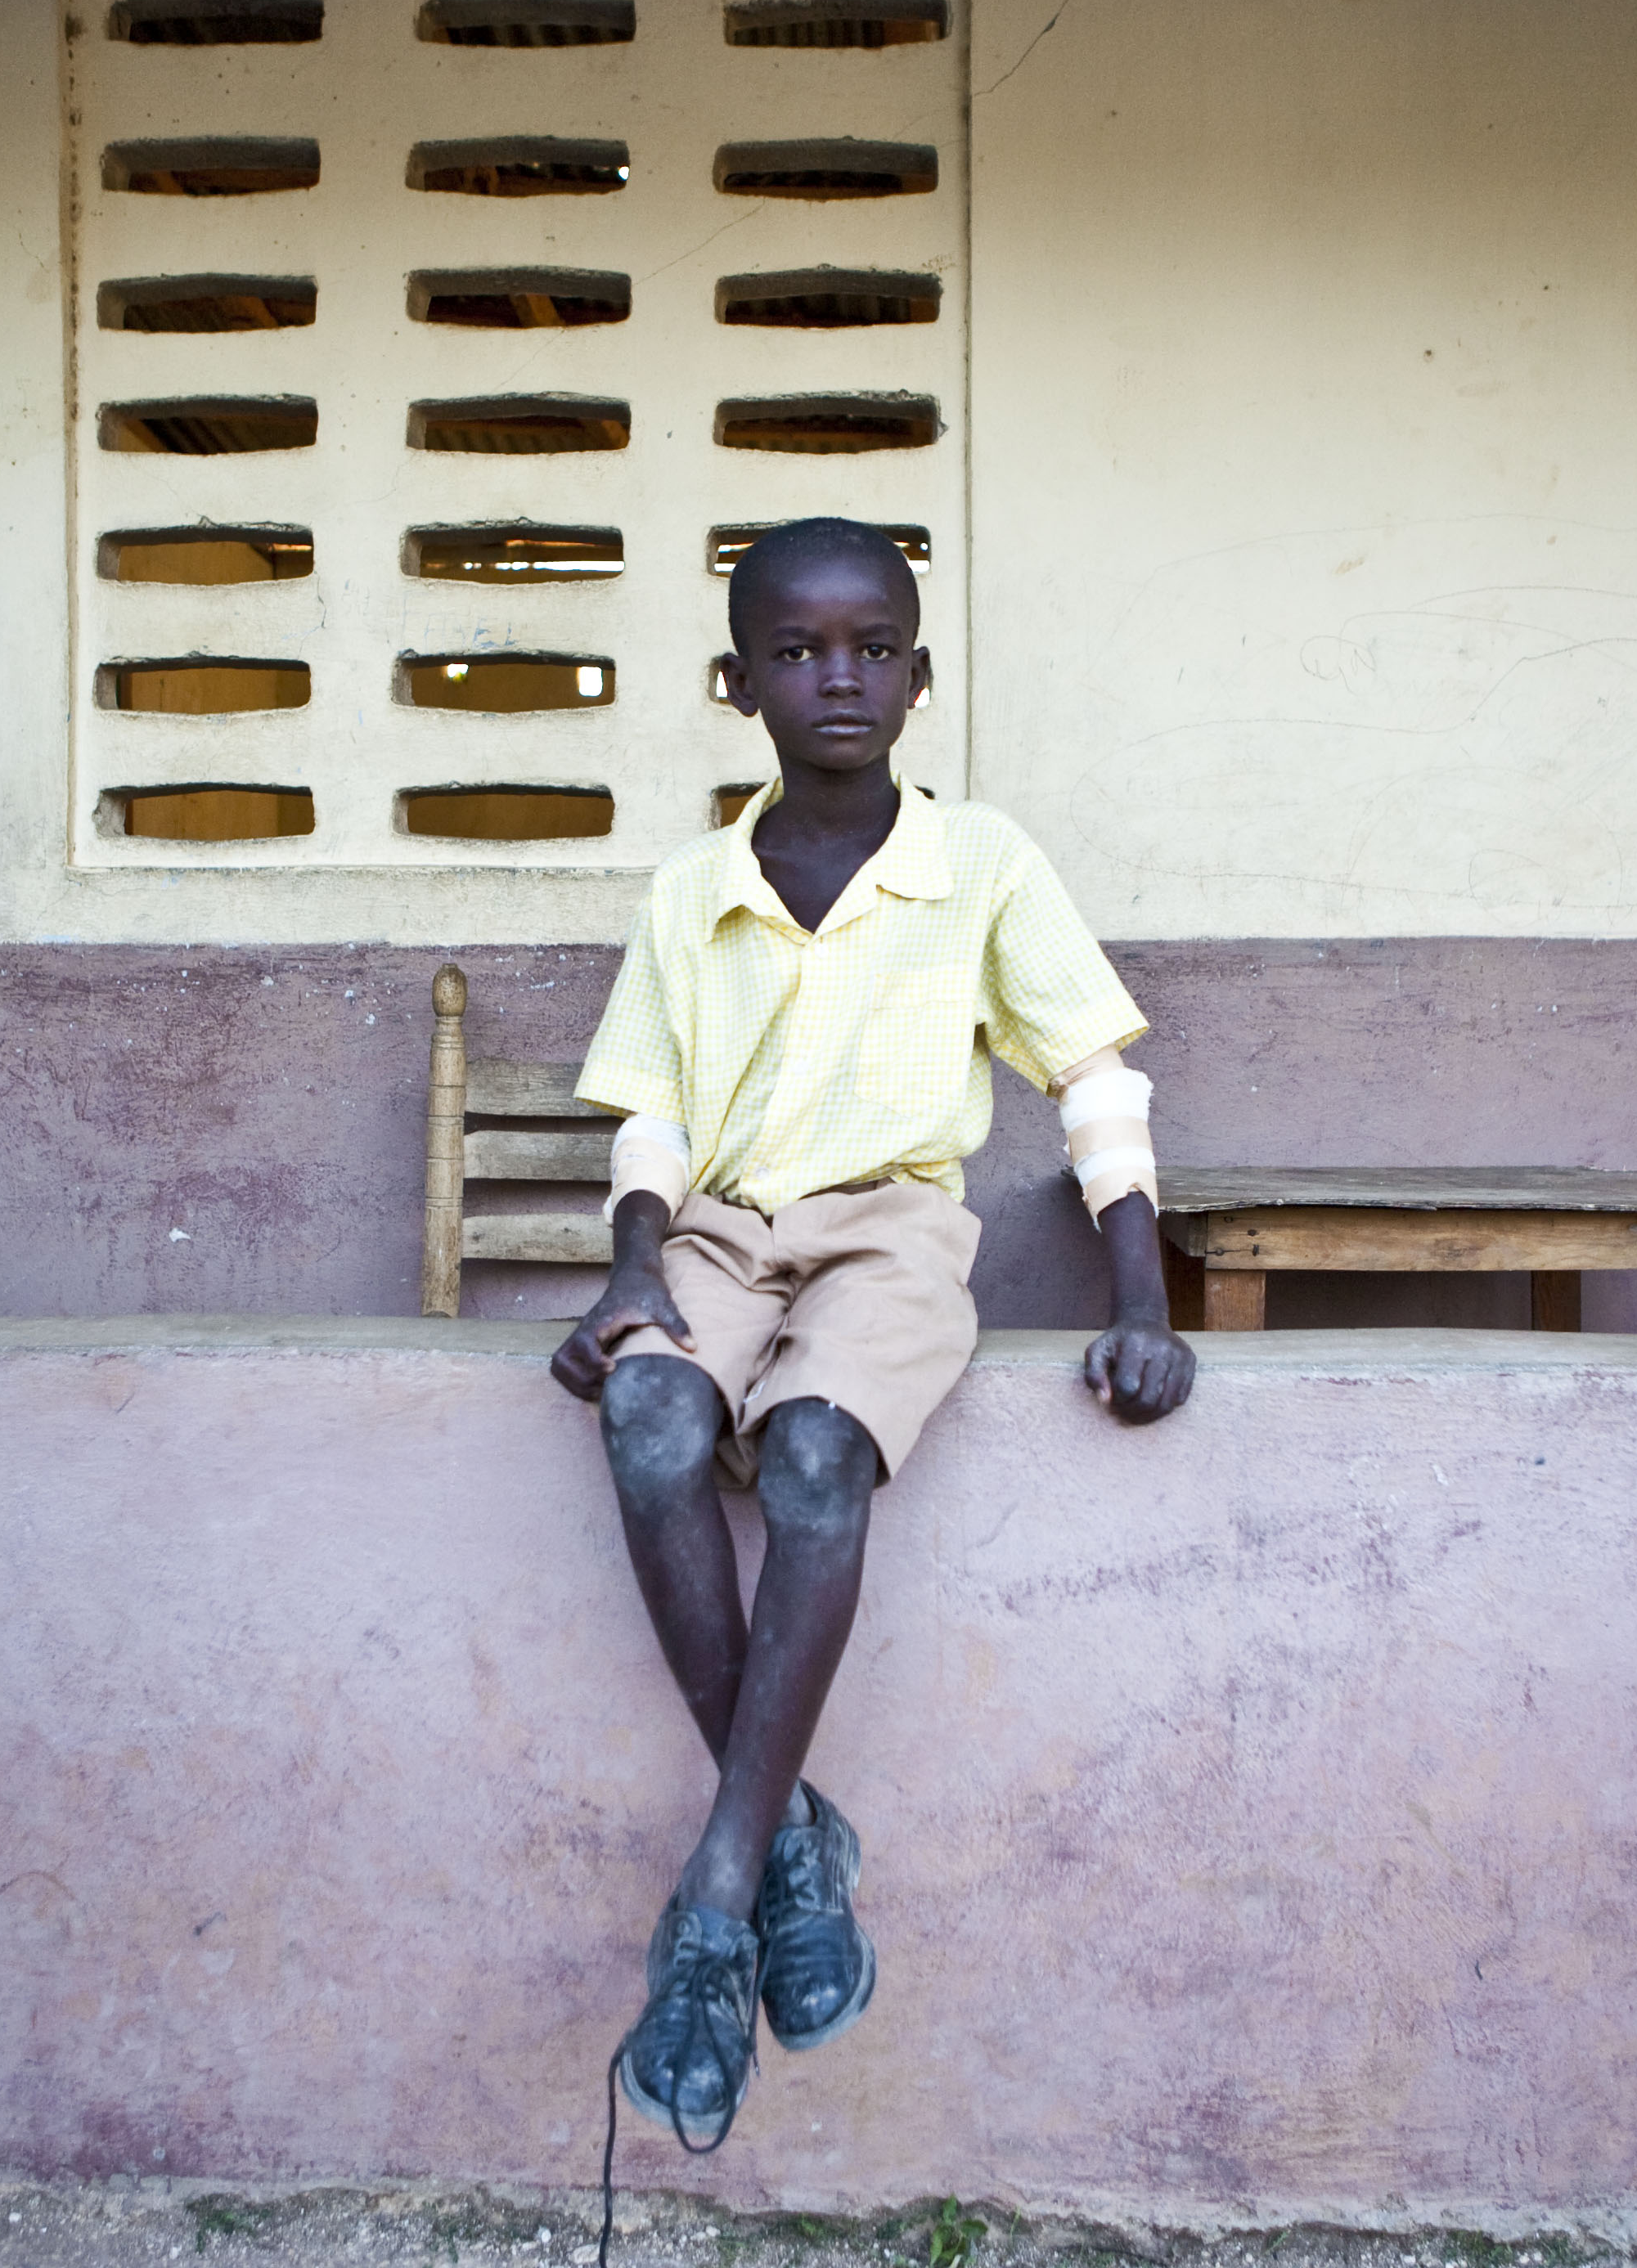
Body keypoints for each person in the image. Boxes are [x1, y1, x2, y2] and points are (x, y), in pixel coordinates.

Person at [549, 517, 1198, 2150]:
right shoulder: (690, 891)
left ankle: (712, 1897)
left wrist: (1144, 1298)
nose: (835, 673)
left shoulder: (978, 860)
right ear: (738, 681)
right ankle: (785, 1845)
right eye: (795, 650)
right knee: (649, 1425)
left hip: (893, 1226)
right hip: (717, 1234)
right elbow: (647, 1122)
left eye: (868, 647)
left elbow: (1092, 1078)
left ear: (920, 674)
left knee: (822, 1458)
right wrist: (635, 1268)